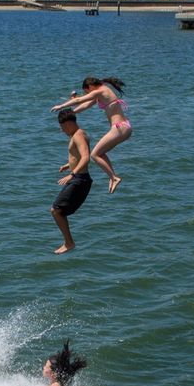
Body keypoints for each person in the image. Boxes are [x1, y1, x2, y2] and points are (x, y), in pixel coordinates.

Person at [50, 76, 131, 194]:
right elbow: (85, 105)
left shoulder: (101, 91)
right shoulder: (102, 93)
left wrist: (61, 106)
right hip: (123, 127)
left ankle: (113, 177)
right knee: (100, 153)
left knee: (94, 154)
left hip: (119, 128)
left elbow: (79, 100)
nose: (88, 94)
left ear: (90, 87)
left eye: (87, 92)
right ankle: (113, 177)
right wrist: (71, 112)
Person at [49, 109, 93, 255]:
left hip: (79, 179)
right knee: (58, 211)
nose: (62, 131)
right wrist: (69, 165)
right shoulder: (80, 133)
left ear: (68, 124)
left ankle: (69, 243)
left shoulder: (78, 136)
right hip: (80, 179)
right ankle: (69, 242)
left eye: (62, 128)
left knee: (56, 210)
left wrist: (72, 174)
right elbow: (79, 156)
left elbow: (86, 157)